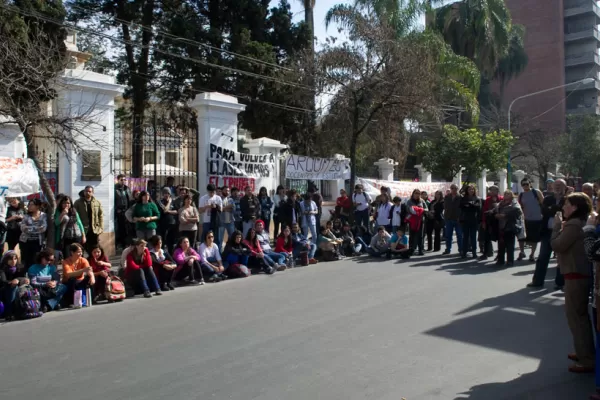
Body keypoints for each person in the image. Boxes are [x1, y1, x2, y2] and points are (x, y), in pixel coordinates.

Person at [551, 193, 595, 373]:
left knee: (576, 318)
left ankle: (586, 359)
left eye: (567, 204)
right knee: (580, 316)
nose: (563, 208)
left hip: (575, 275)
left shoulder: (573, 224)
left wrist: (555, 227)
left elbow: (558, 245)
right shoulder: (581, 222)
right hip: (580, 275)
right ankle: (584, 352)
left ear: (575, 207)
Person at [528, 179, 567, 289]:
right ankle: (537, 281)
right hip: (547, 232)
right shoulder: (548, 199)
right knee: (543, 257)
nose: (557, 187)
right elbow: (544, 211)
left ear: (565, 187)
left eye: (560, 185)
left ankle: (560, 283)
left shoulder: (568, 199)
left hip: (562, 232)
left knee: (561, 258)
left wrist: (553, 209)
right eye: (556, 185)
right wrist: (555, 209)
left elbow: (565, 213)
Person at [493, 190, 523, 267]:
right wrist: (495, 214)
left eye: (508, 194)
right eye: (505, 194)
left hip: (510, 225)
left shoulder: (514, 203)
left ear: (511, 195)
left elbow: (518, 211)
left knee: (510, 245)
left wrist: (505, 215)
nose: (506, 195)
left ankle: (510, 261)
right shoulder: (501, 203)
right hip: (501, 226)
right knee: (501, 244)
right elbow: (495, 209)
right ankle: (500, 260)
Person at [517, 178, 544, 262]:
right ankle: (522, 252)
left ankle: (532, 254)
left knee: (534, 238)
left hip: (536, 218)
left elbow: (543, 203)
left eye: (527, 184)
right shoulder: (521, 195)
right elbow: (519, 206)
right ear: (521, 186)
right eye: (523, 184)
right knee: (522, 237)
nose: (525, 186)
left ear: (530, 184)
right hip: (525, 219)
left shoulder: (536, 192)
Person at [74, 185, 104, 255]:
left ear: (92, 192)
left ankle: (93, 263)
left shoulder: (97, 202)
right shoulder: (78, 202)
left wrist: (100, 228)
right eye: (86, 191)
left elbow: (101, 216)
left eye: (89, 191)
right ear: (84, 192)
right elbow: (74, 215)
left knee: (94, 248)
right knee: (82, 248)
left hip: (94, 229)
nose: (88, 193)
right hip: (83, 230)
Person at [19, 198, 48, 268]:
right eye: (29, 204)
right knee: (25, 260)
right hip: (25, 241)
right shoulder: (26, 216)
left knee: (35, 259)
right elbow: (23, 228)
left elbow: (43, 228)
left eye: (31, 205)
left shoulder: (43, 215)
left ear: (38, 206)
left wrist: (29, 228)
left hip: (38, 242)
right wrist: (37, 228)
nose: (29, 206)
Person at [0, 251, 28, 320]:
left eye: (15, 259)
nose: (13, 261)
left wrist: (22, 280)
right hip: (4, 290)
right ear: (6, 260)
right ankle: (9, 312)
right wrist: (12, 282)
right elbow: (3, 281)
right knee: (13, 287)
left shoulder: (19, 268)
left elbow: (23, 278)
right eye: (11, 259)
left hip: (18, 289)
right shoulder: (2, 269)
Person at [479, 186, 503, 260]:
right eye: (491, 190)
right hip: (489, 221)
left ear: (497, 191)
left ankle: (499, 254)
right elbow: (484, 211)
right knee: (487, 237)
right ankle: (485, 253)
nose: (492, 192)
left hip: (499, 221)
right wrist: (483, 222)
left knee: (500, 239)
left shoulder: (501, 199)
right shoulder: (487, 200)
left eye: (494, 190)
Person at [460, 184, 481, 259]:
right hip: (465, 220)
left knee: (473, 237)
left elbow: (477, 208)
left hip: (474, 220)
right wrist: (471, 205)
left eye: (472, 189)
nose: (471, 191)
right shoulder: (463, 198)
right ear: (467, 190)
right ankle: (464, 252)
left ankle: (474, 252)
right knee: (465, 237)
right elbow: (462, 207)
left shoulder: (477, 198)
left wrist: (469, 205)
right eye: (469, 189)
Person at [406, 189, 428, 256]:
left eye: (418, 193)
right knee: (412, 235)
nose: (417, 195)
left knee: (420, 235)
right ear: (413, 194)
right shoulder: (409, 201)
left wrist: (420, 210)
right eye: (416, 193)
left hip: (420, 220)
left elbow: (427, 209)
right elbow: (407, 209)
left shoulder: (422, 200)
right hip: (412, 221)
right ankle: (411, 249)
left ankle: (420, 250)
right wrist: (413, 210)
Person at [114, 174, 133, 249]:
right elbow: (113, 200)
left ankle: (128, 244)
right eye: (121, 180)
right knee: (121, 228)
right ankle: (121, 244)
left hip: (127, 211)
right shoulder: (115, 189)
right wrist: (116, 209)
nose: (123, 181)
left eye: (124, 180)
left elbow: (130, 200)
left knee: (128, 228)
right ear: (118, 180)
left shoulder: (127, 188)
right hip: (120, 212)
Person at [157, 188, 178, 253]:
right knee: (163, 241)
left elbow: (176, 211)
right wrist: (169, 202)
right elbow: (165, 210)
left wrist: (169, 211)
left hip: (172, 224)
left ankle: (171, 255)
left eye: (168, 193)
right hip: (163, 225)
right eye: (165, 193)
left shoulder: (173, 202)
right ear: (163, 194)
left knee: (171, 242)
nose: (166, 195)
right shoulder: (160, 202)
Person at [443, 184, 463, 255]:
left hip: (458, 219)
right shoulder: (447, 197)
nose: (454, 189)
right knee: (448, 235)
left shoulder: (461, 197)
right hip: (448, 219)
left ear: (458, 189)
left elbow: (462, 209)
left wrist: (460, 217)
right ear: (450, 189)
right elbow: (445, 207)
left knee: (459, 235)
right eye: (452, 188)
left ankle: (461, 249)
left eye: (455, 188)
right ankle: (448, 249)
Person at [219, 186, 236, 251]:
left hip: (230, 221)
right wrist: (228, 208)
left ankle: (231, 251)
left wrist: (223, 208)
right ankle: (220, 254)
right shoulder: (219, 199)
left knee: (232, 237)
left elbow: (233, 209)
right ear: (222, 191)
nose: (227, 192)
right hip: (222, 221)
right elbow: (219, 209)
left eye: (228, 191)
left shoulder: (231, 199)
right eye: (226, 190)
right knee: (220, 239)